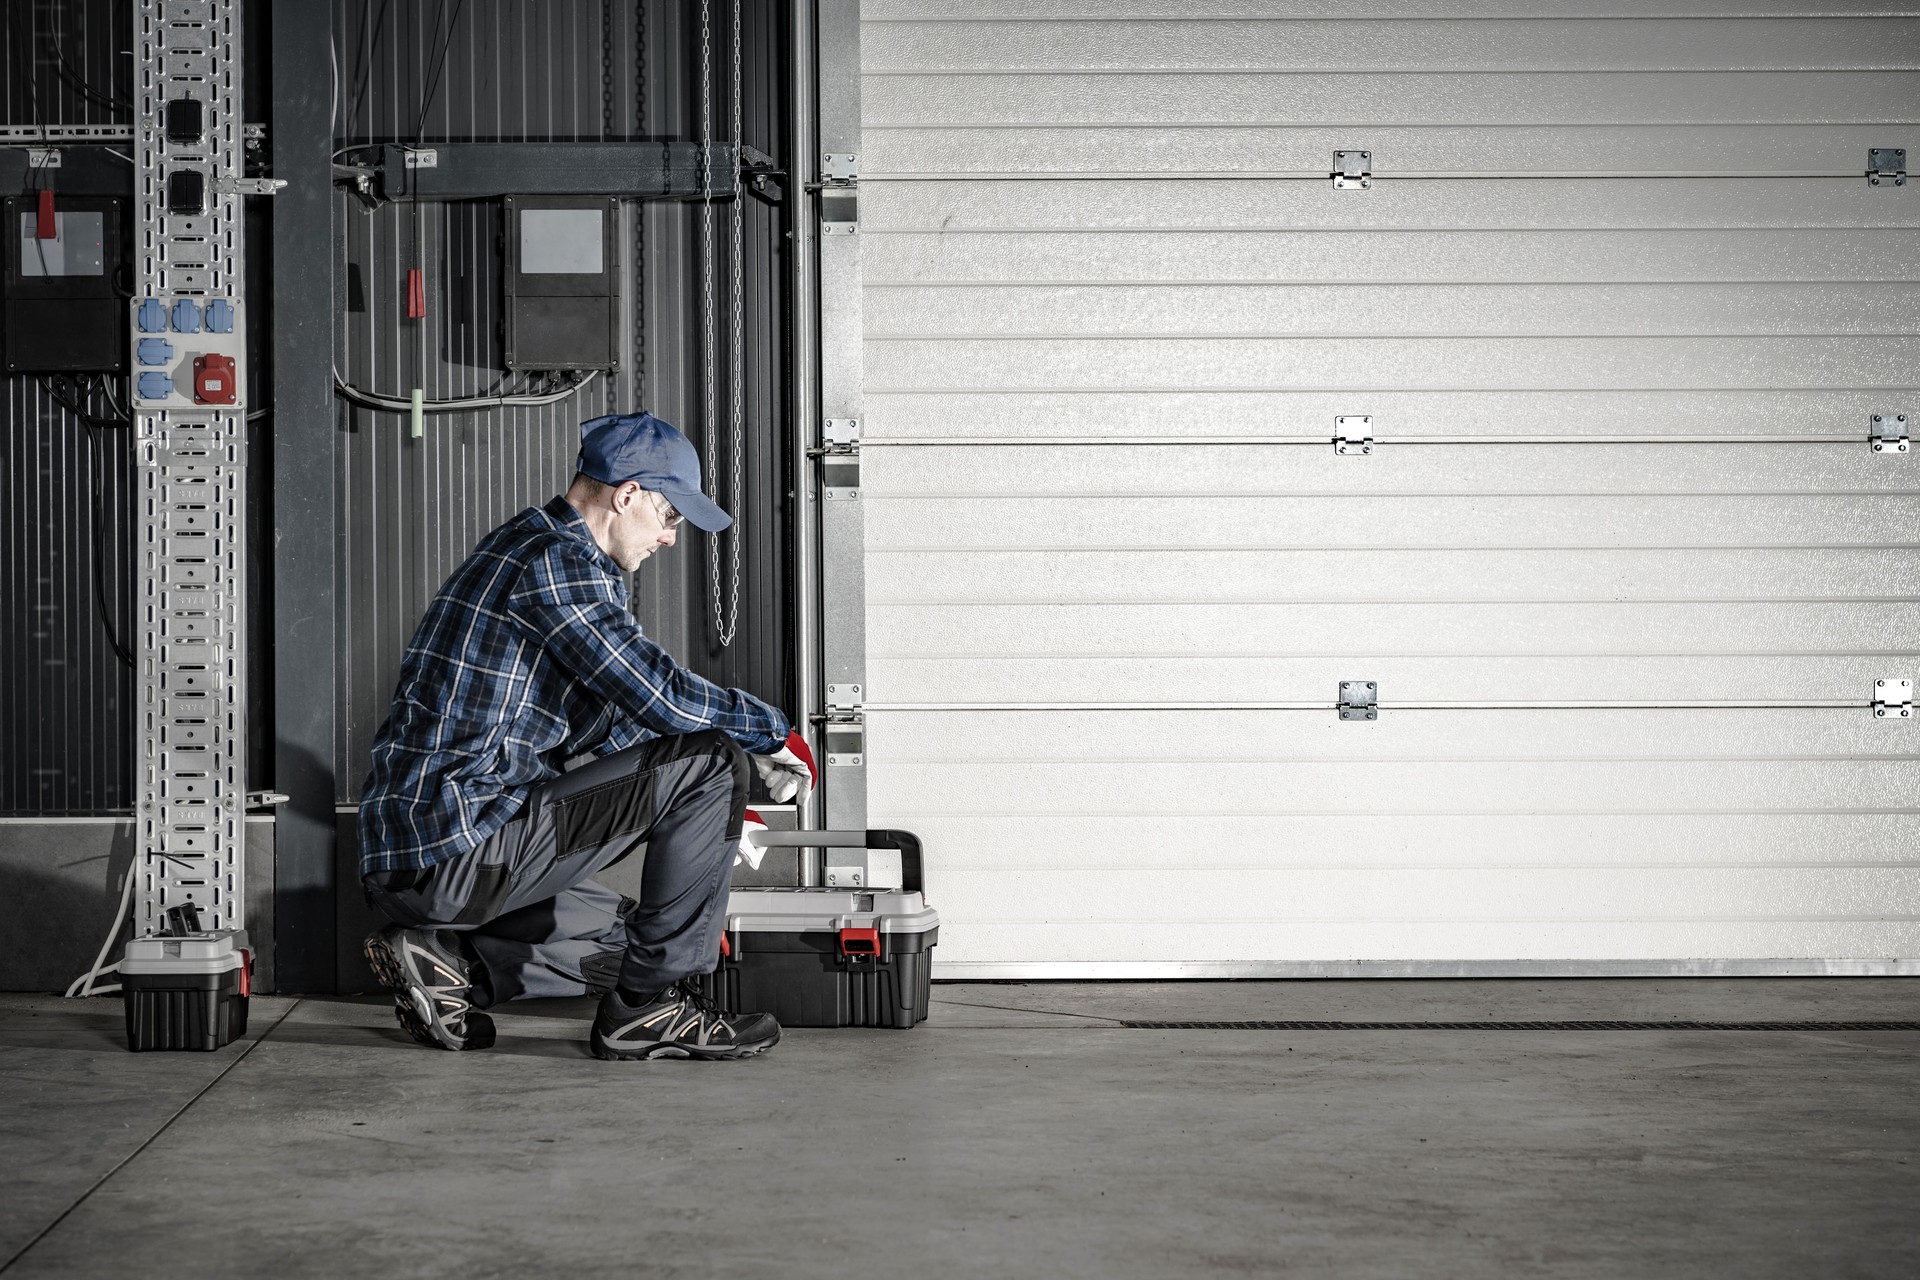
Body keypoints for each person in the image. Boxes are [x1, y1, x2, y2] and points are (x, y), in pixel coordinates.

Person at [356, 411, 814, 1061]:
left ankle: (454, 965)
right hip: (453, 848)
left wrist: (706, 837)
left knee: (626, 934)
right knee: (713, 761)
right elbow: (658, 693)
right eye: (671, 517)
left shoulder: (527, 547)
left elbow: (611, 723)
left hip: (433, 853)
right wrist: (771, 735)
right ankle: (649, 1011)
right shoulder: (557, 562)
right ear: (628, 495)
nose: (670, 539)